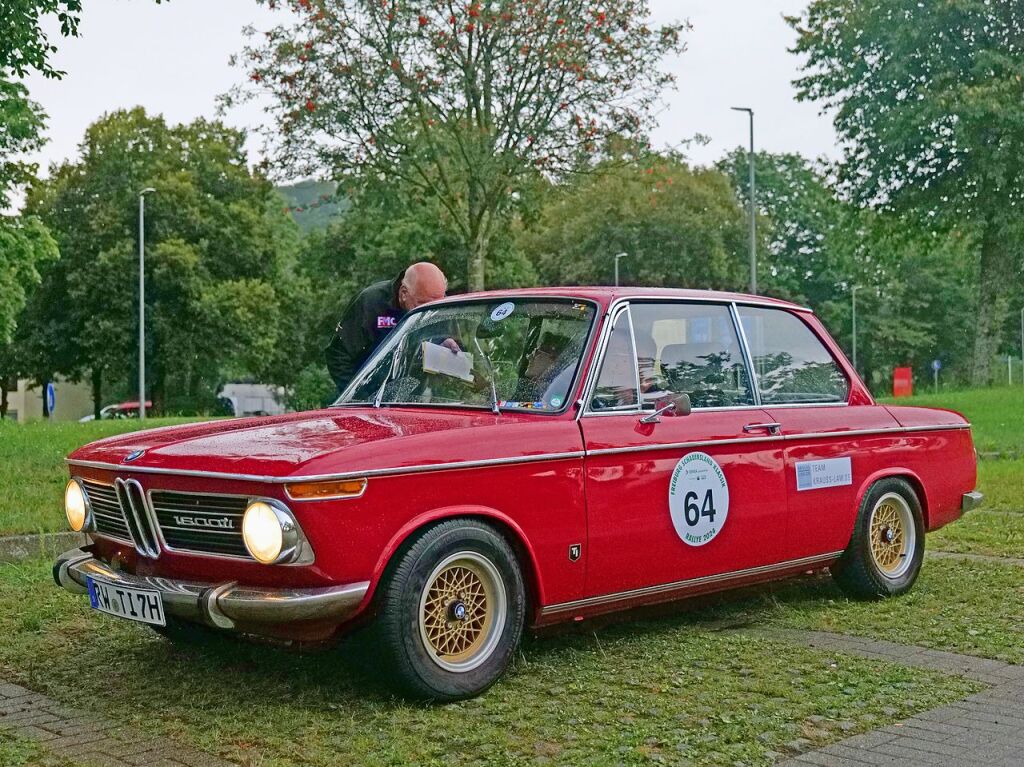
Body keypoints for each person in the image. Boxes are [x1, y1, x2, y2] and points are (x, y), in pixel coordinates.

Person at [326, 262, 450, 394]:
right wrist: (357, 396)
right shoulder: (371, 302)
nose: (429, 313)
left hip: (415, 398)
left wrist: (449, 352)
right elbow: (338, 355)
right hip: (366, 395)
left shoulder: (441, 306)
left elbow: (459, 367)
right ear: (403, 293)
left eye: (436, 306)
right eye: (422, 305)